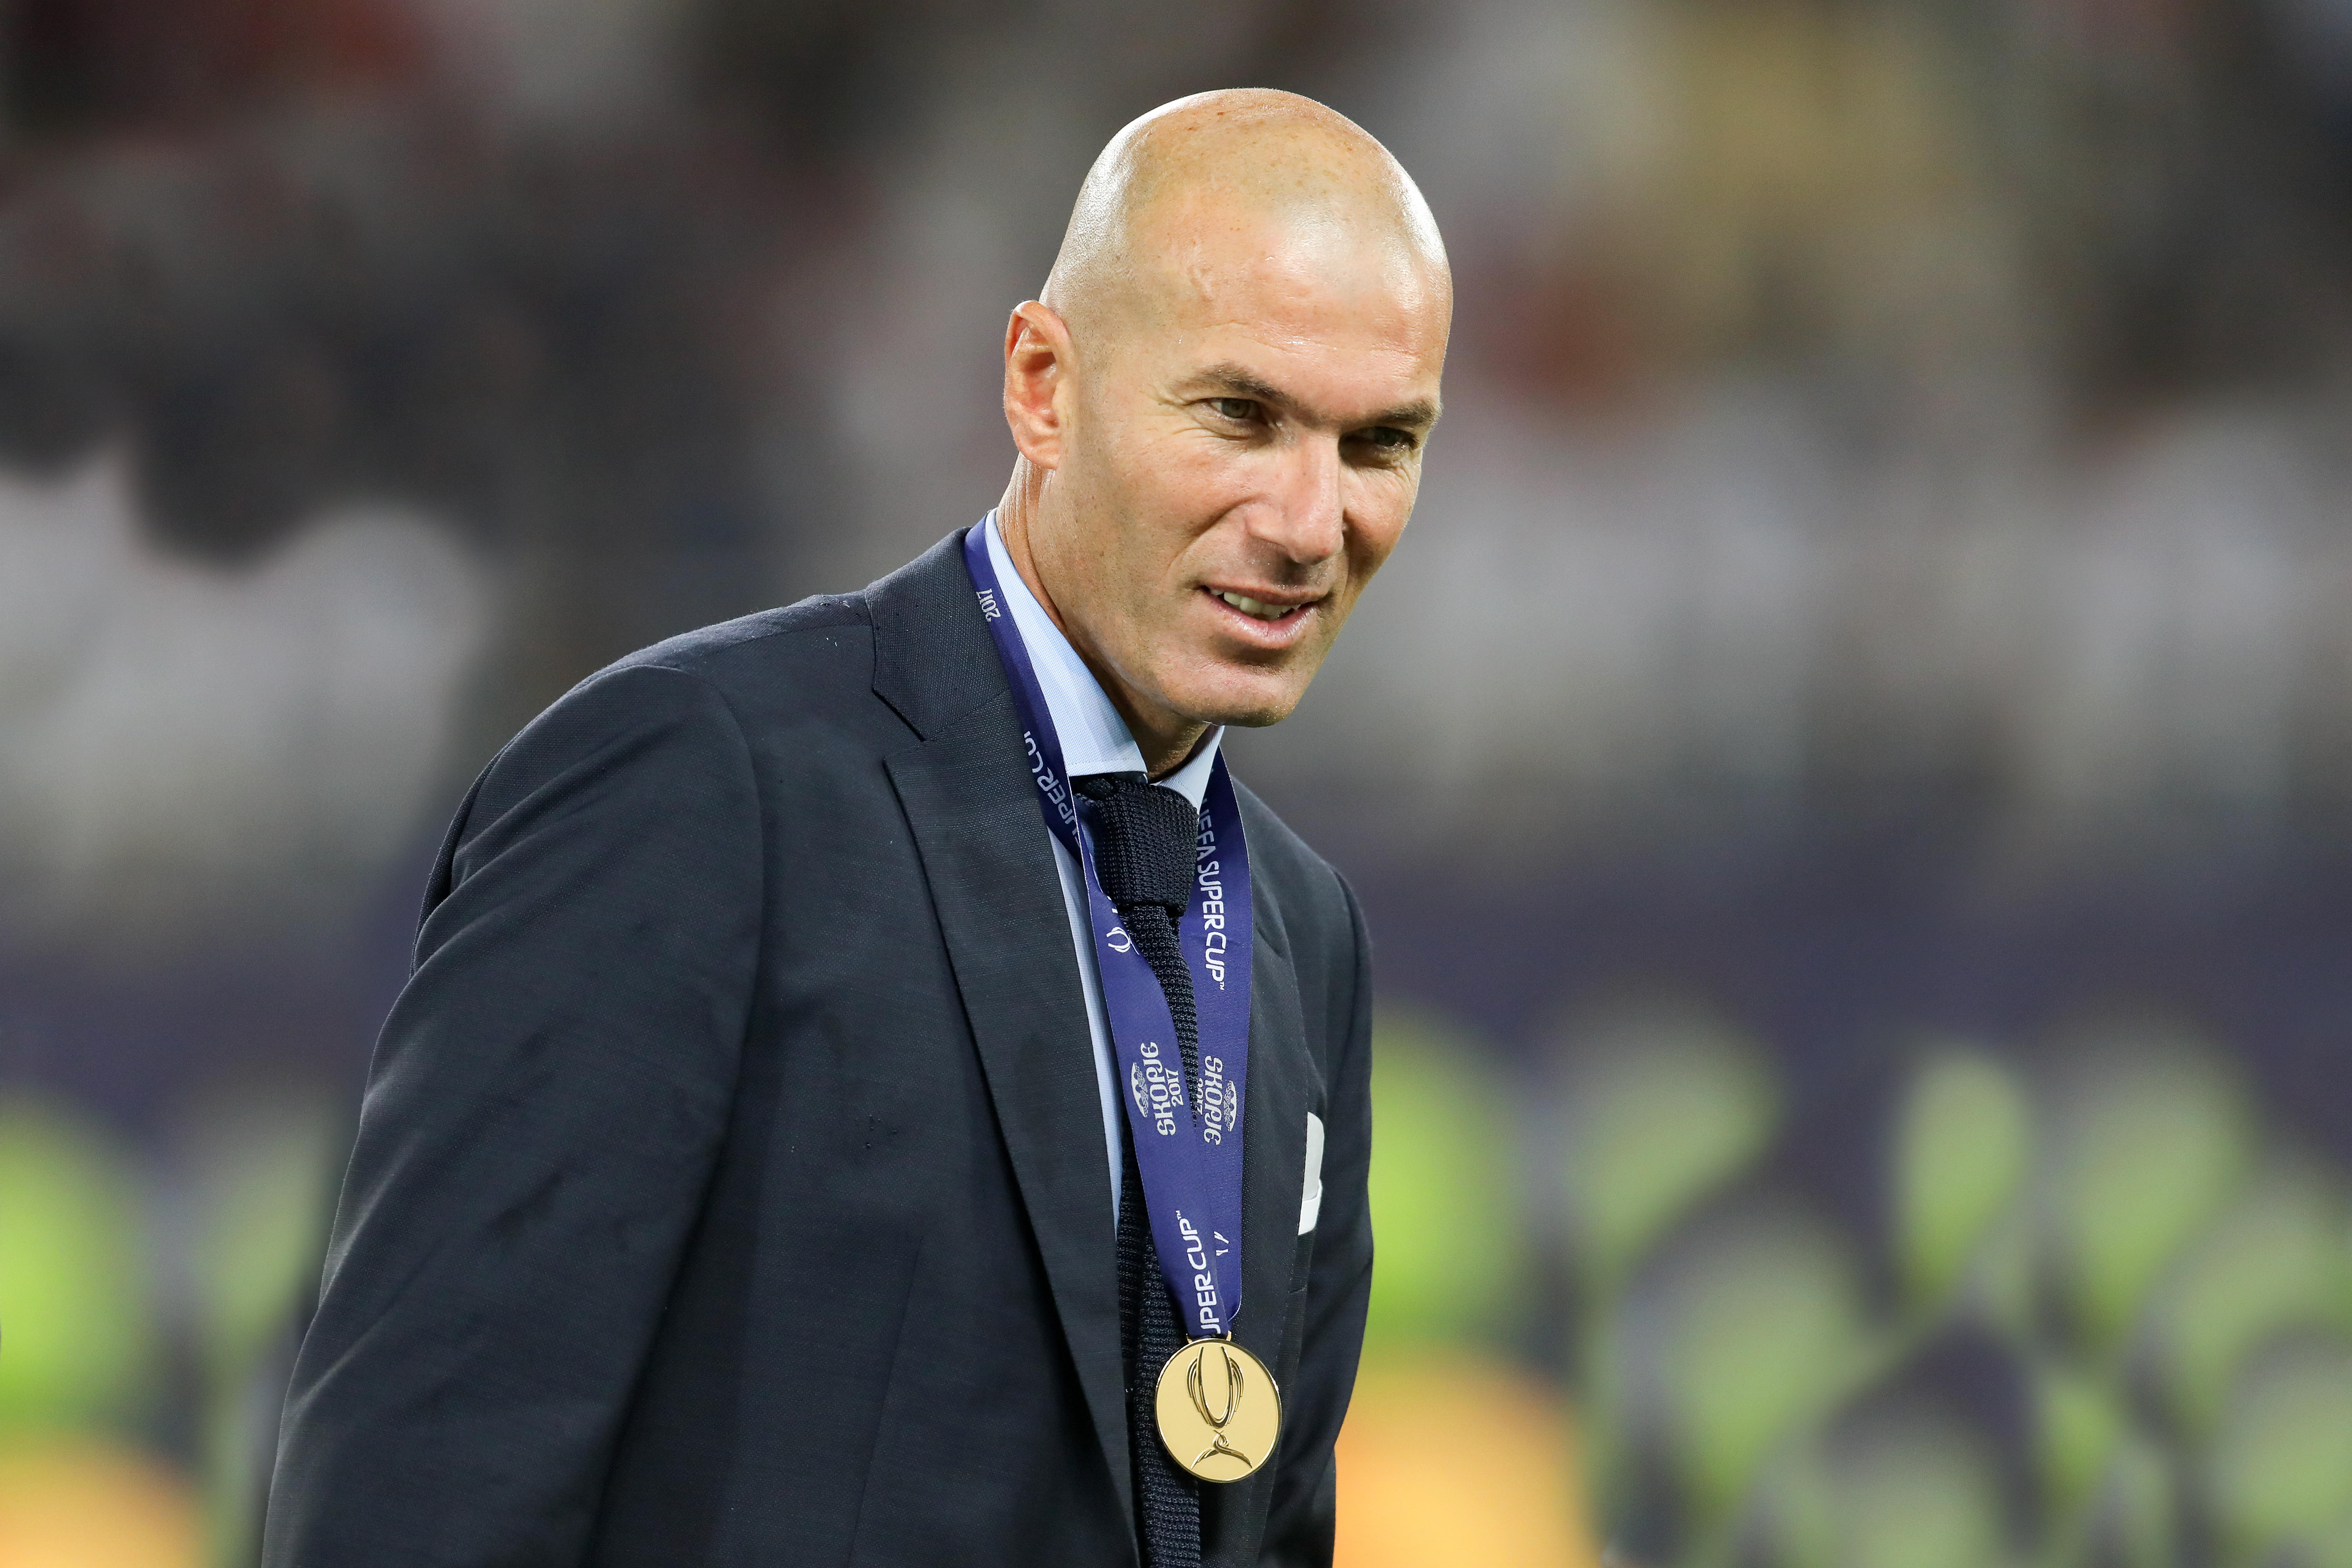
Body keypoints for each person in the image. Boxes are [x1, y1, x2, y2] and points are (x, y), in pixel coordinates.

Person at [261, 87, 1451, 1568]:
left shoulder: (1299, 929)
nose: (1306, 518)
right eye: (1241, 414)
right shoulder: (697, 784)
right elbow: (419, 1491)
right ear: (1041, 385)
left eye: (1379, 443)